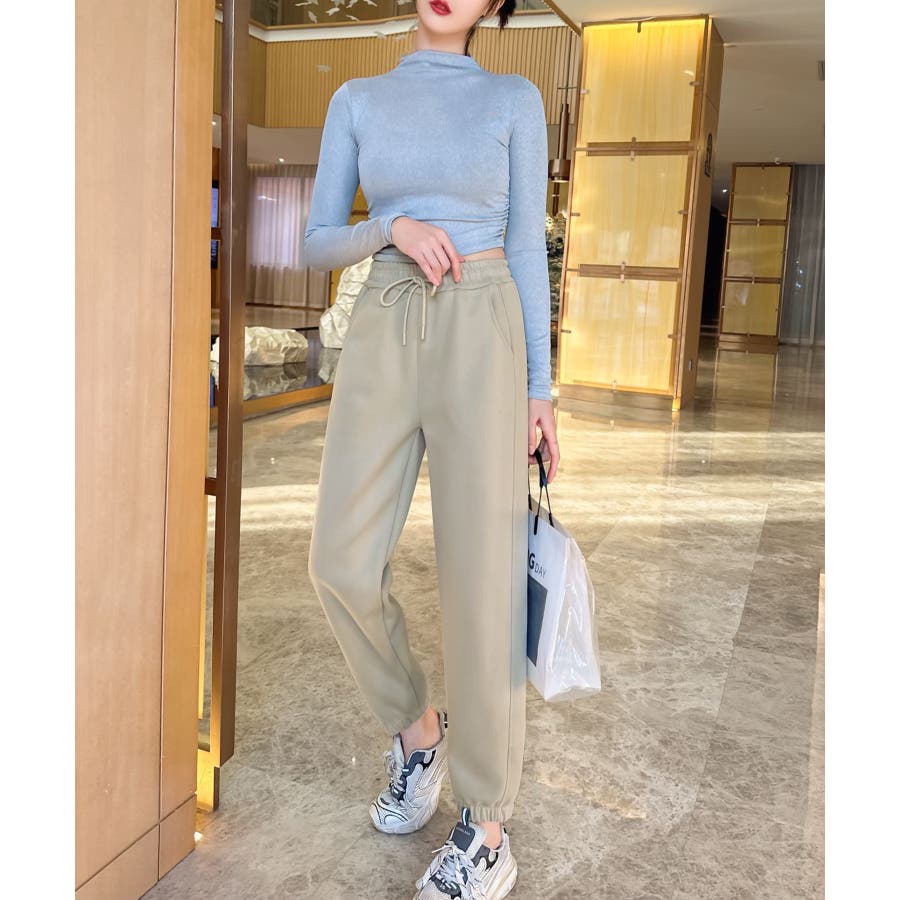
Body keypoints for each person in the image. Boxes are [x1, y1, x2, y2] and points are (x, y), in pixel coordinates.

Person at [305, 1, 560, 897]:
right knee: (338, 558)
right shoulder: (357, 99)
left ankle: (486, 826)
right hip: (384, 313)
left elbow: (525, 247)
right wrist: (392, 228)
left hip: (483, 321)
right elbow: (316, 241)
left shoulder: (514, 98)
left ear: (495, 5)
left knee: (482, 582)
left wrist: (539, 389)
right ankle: (419, 730)